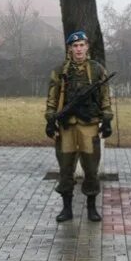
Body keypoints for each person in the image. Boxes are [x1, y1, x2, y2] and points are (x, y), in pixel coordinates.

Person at [45, 30, 113, 222]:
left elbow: (105, 97)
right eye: (75, 46)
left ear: (87, 47)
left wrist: (107, 120)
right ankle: (67, 209)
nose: (79, 49)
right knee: (66, 168)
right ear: (70, 49)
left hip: (89, 126)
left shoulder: (97, 70)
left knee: (91, 169)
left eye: (82, 45)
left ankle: (92, 207)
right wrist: (50, 120)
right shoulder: (60, 71)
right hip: (66, 127)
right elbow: (52, 98)